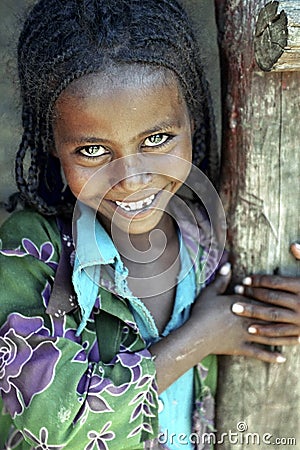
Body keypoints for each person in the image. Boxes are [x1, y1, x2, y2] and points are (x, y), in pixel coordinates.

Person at [0, 1, 299, 449]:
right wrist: (195, 340)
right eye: (93, 151)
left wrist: (281, 307)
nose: (132, 178)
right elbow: (54, 428)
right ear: (52, 142)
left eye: (156, 140)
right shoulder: (29, 250)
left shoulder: (213, 235)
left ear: (191, 120)